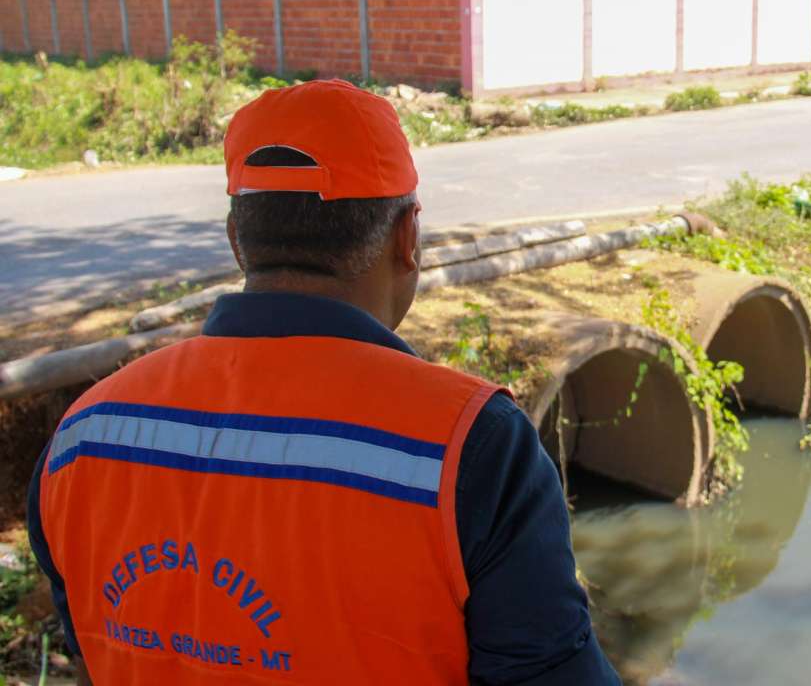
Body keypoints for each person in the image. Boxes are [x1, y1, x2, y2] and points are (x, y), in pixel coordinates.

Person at [27, 79, 621, 685]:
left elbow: (92, 642)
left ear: (238, 241)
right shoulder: (471, 446)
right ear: (407, 237)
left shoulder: (84, 436)